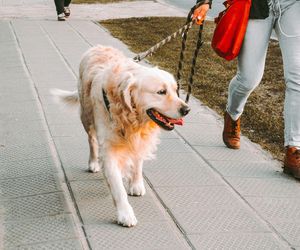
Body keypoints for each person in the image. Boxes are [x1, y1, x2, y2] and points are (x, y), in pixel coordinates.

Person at [193, 0, 300, 179]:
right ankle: (233, 114)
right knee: (249, 78)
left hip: (292, 5)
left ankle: (294, 148)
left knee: (297, 77)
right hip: (257, 5)